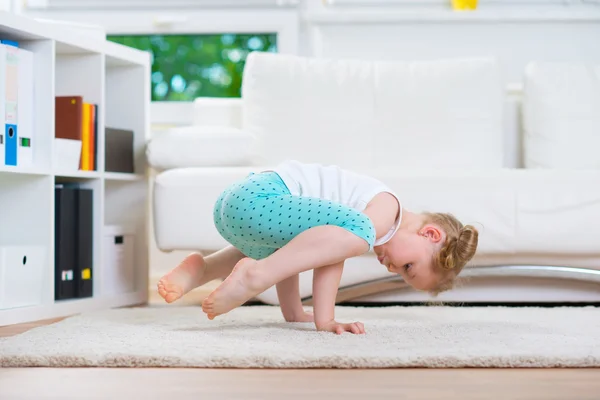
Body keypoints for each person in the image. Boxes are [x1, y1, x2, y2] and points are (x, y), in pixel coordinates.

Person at [157, 160, 479, 335]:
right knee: (353, 235)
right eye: (408, 266)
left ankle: (203, 269)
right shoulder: (385, 208)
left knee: (299, 243)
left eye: (400, 275)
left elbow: (295, 249)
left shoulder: (361, 215)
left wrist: (294, 314)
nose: (392, 268)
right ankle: (254, 277)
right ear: (430, 234)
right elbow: (333, 249)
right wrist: (325, 320)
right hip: (258, 200)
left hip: (234, 206)